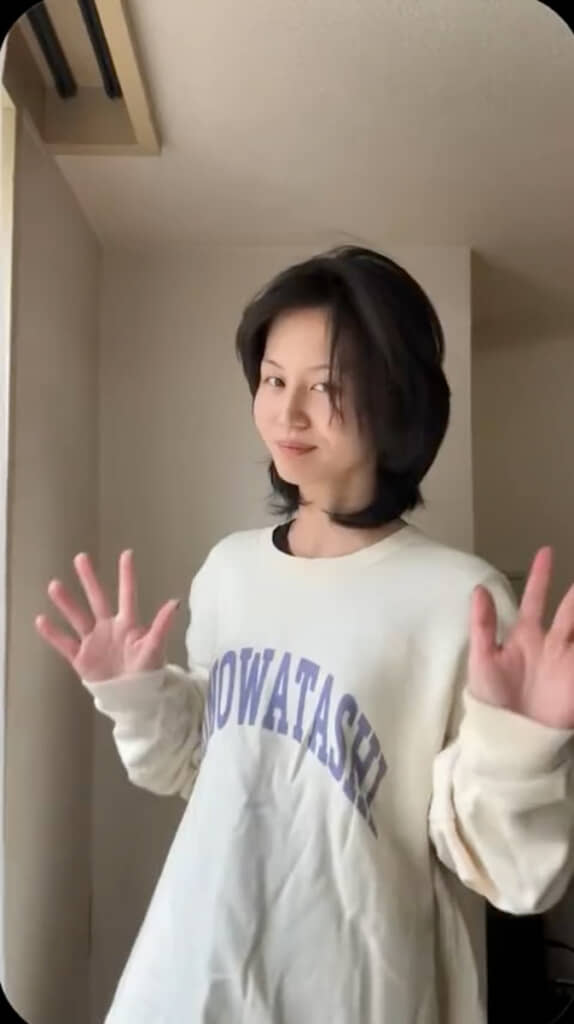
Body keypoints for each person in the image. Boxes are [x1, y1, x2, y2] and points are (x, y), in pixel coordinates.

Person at [35, 246, 574, 1024]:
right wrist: (138, 696)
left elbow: (512, 875)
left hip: (358, 991)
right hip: (187, 979)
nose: (287, 414)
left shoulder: (460, 599)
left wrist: (523, 750)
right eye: (273, 380)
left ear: (398, 400)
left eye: (326, 387)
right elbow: (197, 767)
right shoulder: (229, 570)